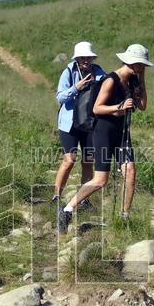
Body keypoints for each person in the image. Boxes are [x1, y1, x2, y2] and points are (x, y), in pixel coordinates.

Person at [58, 43, 153, 232]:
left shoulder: (133, 80)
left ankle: (124, 217)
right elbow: (97, 108)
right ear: (132, 62)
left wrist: (142, 78)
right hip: (103, 132)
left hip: (122, 132)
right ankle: (67, 209)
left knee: (130, 172)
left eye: (144, 65)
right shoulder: (111, 80)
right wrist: (119, 107)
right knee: (101, 180)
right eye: (141, 64)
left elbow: (142, 105)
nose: (143, 67)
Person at [54, 41, 106, 210]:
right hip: (69, 124)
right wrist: (76, 88)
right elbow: (60, 97)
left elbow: (107, 87)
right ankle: (56, 196)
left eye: (88, 57)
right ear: (76, 58)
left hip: (89, 123)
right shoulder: (68, 72)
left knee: (88, 160)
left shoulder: (98, 72)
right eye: (82, 57)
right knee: (69, 160)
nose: (86, 60)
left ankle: (83, 199)